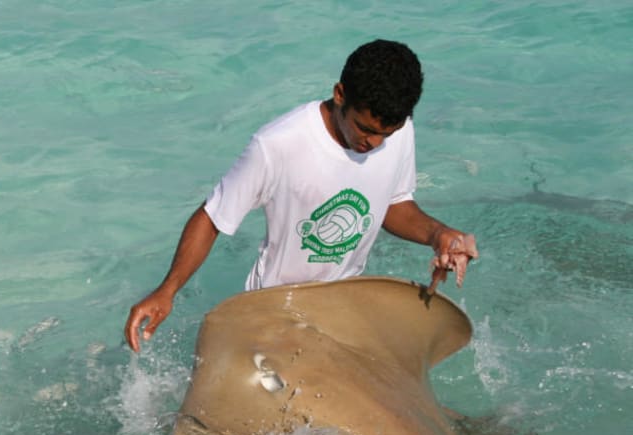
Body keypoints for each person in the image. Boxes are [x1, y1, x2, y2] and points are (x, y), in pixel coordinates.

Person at [124, 39, 479, 352]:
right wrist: (166, 290)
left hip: (342, 308)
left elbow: (394, 204)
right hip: (273, 312)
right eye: (366, 129)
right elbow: (212, 216)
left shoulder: (397, 131)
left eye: (387, 133)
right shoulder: (278, 145)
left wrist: (439, 236)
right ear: (340, 94)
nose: (373, 143)